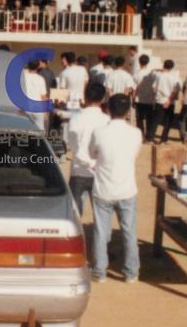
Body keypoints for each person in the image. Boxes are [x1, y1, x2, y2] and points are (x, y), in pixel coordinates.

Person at [83, 93, 143, 283]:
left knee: (101, 231)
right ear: (128, 111)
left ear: (107, 109)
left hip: (103, 189)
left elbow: (92, 152)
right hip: (127, 189)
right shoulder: (136, 133)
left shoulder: (99, 132)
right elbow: (135, 155)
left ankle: (99, 271)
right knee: (129, 231)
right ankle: (131, 272)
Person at [67, 83, 108, 220]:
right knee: (101, 216)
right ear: (103, 99)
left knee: (75, 214)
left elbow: (73, 145)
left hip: (79, 170)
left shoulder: (76, 118)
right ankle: (101, 240)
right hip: (100, 170)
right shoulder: (107, 120)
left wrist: (86, 162)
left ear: (85, 97)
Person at [152, 59, 182, 143]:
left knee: (156, 120)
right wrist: (169, 101)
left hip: (159, 100)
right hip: (169, 101)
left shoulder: (158, 76)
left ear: (163, 65)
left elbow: (153, 87)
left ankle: (150, 137)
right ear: (172, 67)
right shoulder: (175, 77)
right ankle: (164, 138)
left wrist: (156, 96)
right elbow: (175, 91)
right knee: (168, 121)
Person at [133, 54, 157, 140]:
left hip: (139, 99)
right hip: (150, 100)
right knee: (149, 119)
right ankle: (149, 136)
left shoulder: (136, 74)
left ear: (139, 62)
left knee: (139, 119)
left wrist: (133, 99)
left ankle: (141, 136)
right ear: (148, 62)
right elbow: (155, 87)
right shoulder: (152, 74)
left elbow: (134, 88)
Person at [22, 60, 49, 132]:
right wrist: (46, 112)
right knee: (40, 130)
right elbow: (43, 96)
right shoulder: (40, 79)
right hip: (38, 107)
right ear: (38, 67)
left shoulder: (23, 77)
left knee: (25, 129)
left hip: (26, 106)